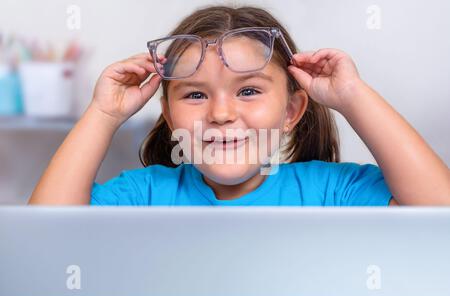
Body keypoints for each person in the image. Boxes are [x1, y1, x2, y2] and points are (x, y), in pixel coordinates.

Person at [28, 5, 450, 206]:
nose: (221, 113)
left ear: (290, 112)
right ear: (170, 115)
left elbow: (438, 209)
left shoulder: (330, 192)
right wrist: (104, 114)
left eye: (248, 91)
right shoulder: (144, 194)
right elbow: (47, 236)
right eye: (195, 94)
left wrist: (353, 96)